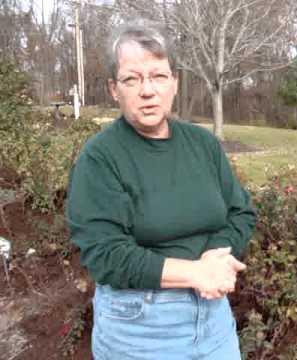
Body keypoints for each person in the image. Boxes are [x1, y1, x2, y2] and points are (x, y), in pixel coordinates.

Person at [66, 21, 256, 360]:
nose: (147, 90)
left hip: (214, 322)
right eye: (131, 79)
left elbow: (240, 211)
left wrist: (218, 255)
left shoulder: (203, 144)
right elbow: (104, 254)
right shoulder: (101, 158)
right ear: (113, 89)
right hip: (139, 328)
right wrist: (195, 273)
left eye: (158, 76)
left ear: (174, 82)